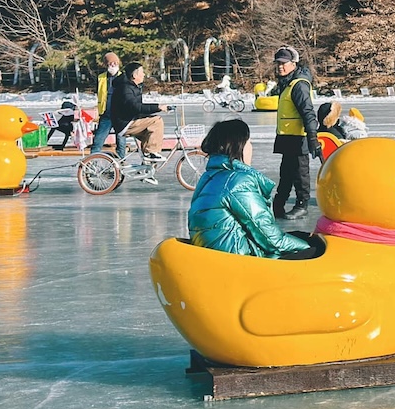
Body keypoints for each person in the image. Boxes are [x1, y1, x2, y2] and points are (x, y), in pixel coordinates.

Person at [187, 118, 320, 259]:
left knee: (302, 236)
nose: (251, 147)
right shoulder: (237, 182)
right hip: (240, 261)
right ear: (239, 145)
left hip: (220, 254)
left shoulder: (209, 177)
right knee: (315, 250)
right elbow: (271, 239)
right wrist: (311, 249)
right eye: (249, 142)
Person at [271, 46, 320, 220]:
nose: (280, 67)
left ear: (294, 64)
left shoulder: (298, 85)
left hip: (299, 138)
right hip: (288, 138)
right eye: (278, 63)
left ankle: (302, 205)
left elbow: (308, 113)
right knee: (286, 173)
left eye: (284, 63)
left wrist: (313, 138)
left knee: (300, 173)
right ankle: (278, 204)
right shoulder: (287, 83)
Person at [109, 62, 170, 159]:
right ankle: (151, 152)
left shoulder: (132, 86)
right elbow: (135, 107)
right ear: (134, 75)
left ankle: (146, 165)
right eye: (142, 72)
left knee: (151, 133)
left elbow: (137, 108)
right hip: (125, 123)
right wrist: (158, 107)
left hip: (129, 120)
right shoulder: (125, 88)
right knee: (157, 121)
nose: (144, 74)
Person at [91, 53, 126, 158]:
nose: (113, 65)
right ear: (106, 64)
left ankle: (120, 163)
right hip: (106, 115)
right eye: (111, 63)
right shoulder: (101, 78)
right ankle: (91, 163)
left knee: (121, 142)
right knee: (98, 140)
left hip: (120, 115)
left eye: (115, 63)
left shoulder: (123, 77)